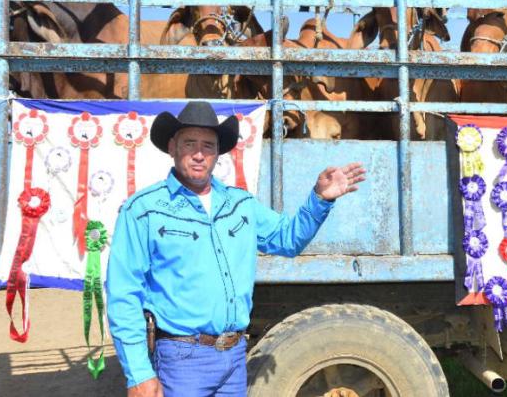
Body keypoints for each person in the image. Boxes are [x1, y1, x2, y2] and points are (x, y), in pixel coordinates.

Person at [106, 101, 366, 397]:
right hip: (182, 360)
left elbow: (288, 239)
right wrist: (138, 373)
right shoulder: (144, 210)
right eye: (190, 143)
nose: (199, 154)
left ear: (218, 153)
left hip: (233, 357)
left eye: (208, 145)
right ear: (172, 147)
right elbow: (123, 293)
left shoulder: (240, 204)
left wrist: (320, 199)